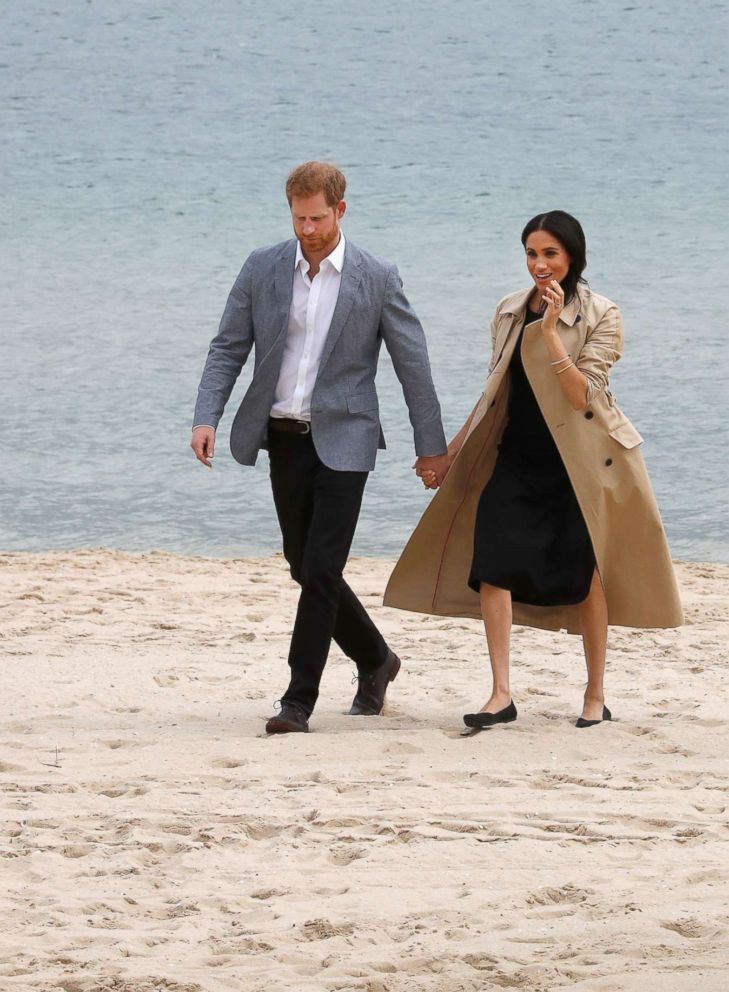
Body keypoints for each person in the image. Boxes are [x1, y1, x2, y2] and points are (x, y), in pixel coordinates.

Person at [386, 210, 682, 729]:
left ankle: (595, 695)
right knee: (494, 566)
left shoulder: (603, 314)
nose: (539, 264)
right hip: (516, 457)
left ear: (572, 257)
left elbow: (580, 395)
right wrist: (448, 453)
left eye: (550, 254)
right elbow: (494, 392)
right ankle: (501, 693)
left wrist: (548, 333)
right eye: (531, 253)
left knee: (587, 577)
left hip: (579, 464)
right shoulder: (507, 309)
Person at [191, 161, 449, 735]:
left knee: (323, 566)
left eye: (317, 218)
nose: (307, 229)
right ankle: (377, 659)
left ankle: (297, 699)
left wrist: (431, 448)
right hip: (283, 435)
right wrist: (206, 415)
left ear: (340, 210)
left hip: (348, 436)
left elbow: (414, 366)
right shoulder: (262, 267)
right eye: (298, 218)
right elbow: (228, 346)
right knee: (303, 566)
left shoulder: (376, 276)